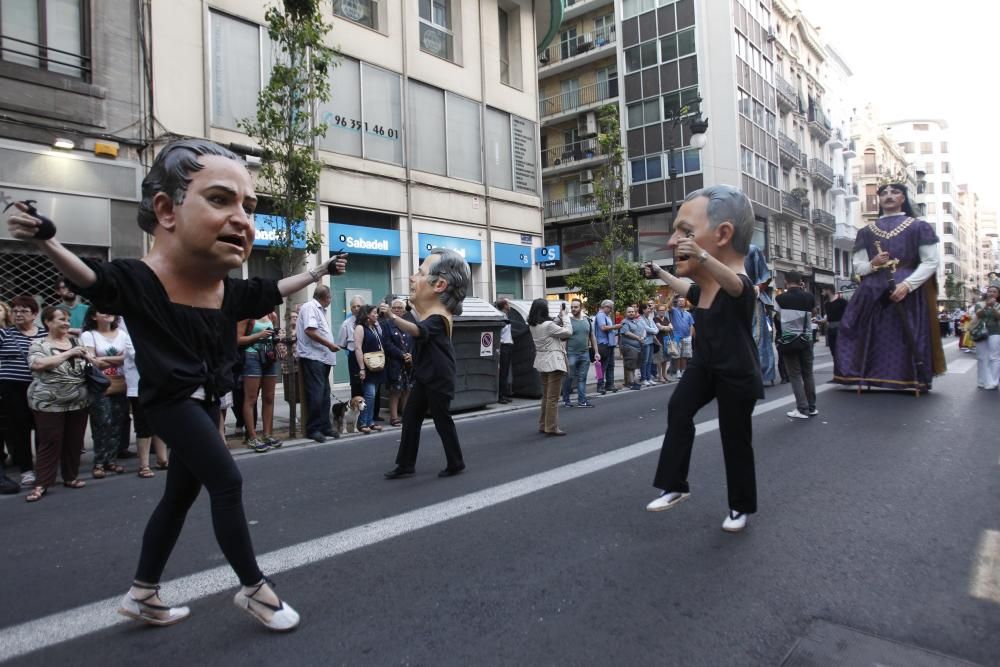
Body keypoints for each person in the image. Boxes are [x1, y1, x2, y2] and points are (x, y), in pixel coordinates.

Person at [6, 138, 348, 631]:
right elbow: (93, 279)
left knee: (179, 497)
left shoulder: (226, 290)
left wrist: (316, 270)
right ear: (166, 210)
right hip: (170, 403)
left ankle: (143, 592)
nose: (243, 219)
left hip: (207, 404)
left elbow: (273, 289)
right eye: (220, 199)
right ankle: (255, 590)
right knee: (228, 481)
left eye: (248, 207)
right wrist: (46, 240)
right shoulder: (139, 280)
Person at [641, 185, 763, 533]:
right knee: (679, 409)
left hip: (736, 372)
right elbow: (688, 290)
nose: (674, 242)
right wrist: (661, 274)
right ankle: (675, 485)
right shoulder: (705, 289)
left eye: (687, 233)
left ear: (724, 234)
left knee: (735, 438)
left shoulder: (739, 285)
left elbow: (737, 285)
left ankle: (741, 507)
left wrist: (703, 256)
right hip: (705, 365)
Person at [832, 183, 945, 394]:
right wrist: (873, 263)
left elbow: (930, 261)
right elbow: (858, 266)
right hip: (872, 291)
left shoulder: (919, 227)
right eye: (884, 193)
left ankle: (908, 377)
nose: (889, 196)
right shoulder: (865, 231)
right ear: (879, 200)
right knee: (852, 327)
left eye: (895, 192)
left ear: (903, 198)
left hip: (906, 288)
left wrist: (908, 285)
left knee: (902, 334)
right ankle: (860, 372)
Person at [384, 248, 471, 477]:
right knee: (411, 418)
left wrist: (393, 318)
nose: (412, 278)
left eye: (420, 273)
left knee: (442, 420)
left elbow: (417, 331)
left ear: (440, 285)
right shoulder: (432, 314)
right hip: (426, 375)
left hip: (438, 377)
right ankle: (405, 464)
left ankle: (456, 462)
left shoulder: (439, 318)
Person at [23, 306, 92, 502]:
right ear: (48, 322)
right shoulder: (39, 344)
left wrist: (91, 359)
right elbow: (37, 364)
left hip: (78, 401)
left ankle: (71, 477)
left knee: (74, 441)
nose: (66, 323)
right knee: (50, 441)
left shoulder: (76, 342)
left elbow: (89, 365)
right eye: (61, 319)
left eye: (67, 319)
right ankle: (42, 483)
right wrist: (69, 354)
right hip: (48, 403)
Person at [0, 295, 47, 488]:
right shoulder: (4, 334)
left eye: (24, 311)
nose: (18, 314)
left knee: (42, 427)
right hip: (12, 387)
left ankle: (43, 468)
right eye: (15, 311)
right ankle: (26, 470)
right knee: (19, 429)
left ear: (34, 314)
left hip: (40, 386)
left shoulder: (44, 334)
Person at [80, 308, 130, 478]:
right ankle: (99, 462)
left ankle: (112, 460)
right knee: (102, 422)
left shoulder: (122, 334)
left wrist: (102, 359)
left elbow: (128, 357)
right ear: (94, 316)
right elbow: (91, 360)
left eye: (110, 311)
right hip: (99, 386)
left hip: (121, 383)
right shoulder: (89, 335)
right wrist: (115, 359)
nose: (108, 313)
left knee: (118, 422)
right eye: (102, 311)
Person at [296, 284, 341, 443]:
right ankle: (313, 428)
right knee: (316, 394)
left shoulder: (319, 309)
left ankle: (324, 426)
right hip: (313, 356)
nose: (330, 300)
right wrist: (329, 344)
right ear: (326, 297)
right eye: (330, 298)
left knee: (324, 394)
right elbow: (310, 330)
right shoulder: (310, 307)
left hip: (322, 357)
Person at [123, 332, 168, 478]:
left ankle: (162, 459)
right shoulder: (129, 334)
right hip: (139, 386)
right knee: (143, 425)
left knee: (160, 422)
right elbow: (142, 356)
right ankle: (144, 464)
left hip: (159, 383)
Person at [237, 310, 282, 452]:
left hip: (269, 355)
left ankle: (267, 434)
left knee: (269, 397)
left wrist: (276, 335)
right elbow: (237, 339)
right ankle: (252, 436)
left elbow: (272, 336)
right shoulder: (246, 314)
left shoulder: (271, 315)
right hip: (252, 356)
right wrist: (259, 336)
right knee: (251, 398)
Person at [775, 272, 817, 419]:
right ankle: (812, 407)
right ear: (800, 281)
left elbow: (778, 317)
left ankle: (802, 408)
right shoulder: (809, 296)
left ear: (786, 281)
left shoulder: (780, 298)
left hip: (789, 339)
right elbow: (813, 313)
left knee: (795, 375)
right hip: (807, 338)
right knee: (808, 373)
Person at [528, 299, 572, 436]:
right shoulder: (548, 325)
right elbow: (568, 332)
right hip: (554, 362)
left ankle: (543, 424)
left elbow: (551, 327)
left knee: (546, 396)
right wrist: (565, 317)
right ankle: (552, 427)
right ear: (544, 310)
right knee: (553, 397)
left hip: (542, 361)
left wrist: (559, 317)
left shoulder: (533, 325)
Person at [744, 243, 776, 385]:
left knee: (757, 336)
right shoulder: (722, 250)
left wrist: (757, 289)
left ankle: (761, 372)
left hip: (752, 299)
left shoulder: (752, 249)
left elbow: (765, 276)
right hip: (730, 299)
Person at [354, 304, 386, 433]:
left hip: (376, 365)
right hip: (367, 366)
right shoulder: (360, 328)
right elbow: (357, 348)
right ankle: (362, 423)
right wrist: (362, 368)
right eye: (374, 313)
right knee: (370, 395)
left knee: (373, 396)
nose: (377, 315)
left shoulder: (374, 327)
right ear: (367, 315)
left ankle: (370, 421)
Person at [561, 299, 598, 408]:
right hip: (571, 353)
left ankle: (582, 401)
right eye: (572, 307)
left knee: (582, 378)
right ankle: (566, 400)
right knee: (569, 377)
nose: (573, 309)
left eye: (576, 307)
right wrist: (564, 354)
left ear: (581, 308)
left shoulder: (587, 320)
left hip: (585, 353)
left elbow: (592, 337)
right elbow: (564, 339)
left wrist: (596, 352)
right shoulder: (568, 321)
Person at [384, 299, 414, 425]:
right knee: (395, 390)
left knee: (407, 389)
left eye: (399, 308)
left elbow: (413, 340)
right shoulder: (387, 324)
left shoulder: (407, 324)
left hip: (408, 363)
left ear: (404, 311)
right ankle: (394, 417)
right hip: (394, 362)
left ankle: (406, 415)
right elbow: (387, 344)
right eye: (394, 307)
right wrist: (402, 355)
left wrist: (410, 354)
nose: (397, 310)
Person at [971, 284, 1000, 390]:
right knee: (982, 357)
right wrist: (987, 305)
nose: (991, 293)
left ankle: (994, 381)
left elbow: (998, 317)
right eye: (990, 291)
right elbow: (978, 315)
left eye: (994, 292)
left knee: (994, 357)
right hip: (980, 332)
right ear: (986, 293)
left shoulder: (998, 305)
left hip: (995, 332)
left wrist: (993, 307)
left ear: (998, 294)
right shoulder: (979, 304)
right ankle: (982, 381)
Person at [337, 295, 365, 398]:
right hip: (354, 358)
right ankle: (357, 412)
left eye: (359, 306)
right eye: (353, 307)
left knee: (371, 386)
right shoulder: (346, 324)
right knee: (356, 385)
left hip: (370, 356)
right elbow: (341, 344)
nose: (356, 309)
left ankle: (371, 414)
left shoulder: (370, 320)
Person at [594, 299, 622, 394]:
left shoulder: (606, 315)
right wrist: (615, 326)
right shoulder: (601, 315)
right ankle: (600, 385)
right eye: (610, 308)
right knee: (602, 366)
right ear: (605, 307)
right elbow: (603, 327)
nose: (611, 310)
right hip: (603, 344)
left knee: (610, 365)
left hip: (609, 344)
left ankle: (609, 384)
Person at [618, 305, 645, 390]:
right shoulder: (624, 322)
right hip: (629, 347)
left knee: (634, 366)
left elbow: (643, 330)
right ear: (626, 313)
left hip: (637, 347)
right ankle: (631, 383)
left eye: (632, 311)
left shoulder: (637, 321)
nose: (631, 313)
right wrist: (638, 338)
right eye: (629, 312)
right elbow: (626, 333)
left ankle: (632, 381)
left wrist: (642, 337)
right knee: (630, 366)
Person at [669, 296, 695, 379]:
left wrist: (690, 336)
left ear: (685, 303)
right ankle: (677, 371)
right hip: (676, 336)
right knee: (677, 355)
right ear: (677, 302)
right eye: (679, 301)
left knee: (684, 355)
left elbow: (691, 325)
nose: (680, 302)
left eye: (682, 301)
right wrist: (672, 297)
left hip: (687, 336)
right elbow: (668, 306)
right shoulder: (674, 311)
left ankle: (683, 370)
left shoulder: (688, 313)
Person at [820, 286, 847, 362]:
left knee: (841, 351)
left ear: (828, 290)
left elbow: (848, 315)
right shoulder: (827, 304)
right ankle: (837, 369)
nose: (822, 293)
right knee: (833, 352)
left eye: (823, 291)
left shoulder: (842, 302)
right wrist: (820, 321)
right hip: (831, 330)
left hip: (840, 329)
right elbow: (828, 318)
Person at [496, 298, 514, 404]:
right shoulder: (500, 316)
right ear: (504, 305)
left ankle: (504, 394)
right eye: (508, 303)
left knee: (506, 371)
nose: (509, 305)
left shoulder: (505, 315)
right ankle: (501, 396)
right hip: (504, 346)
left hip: (508, 345)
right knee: (503, 372)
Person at [638, 303, 659, 385]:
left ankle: (649, 378)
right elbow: (646, 329)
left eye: (650, 309)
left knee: (650, 361)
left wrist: (654, 330)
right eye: (647, 308)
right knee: (645, 361)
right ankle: (644, 378)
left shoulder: (650, 318)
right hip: (645, 342)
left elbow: (656, 329)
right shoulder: (640, 319)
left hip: (651, 341)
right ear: (643, 310)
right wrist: (654, 330)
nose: (649, 310)